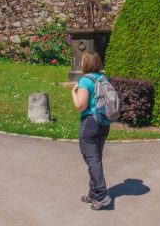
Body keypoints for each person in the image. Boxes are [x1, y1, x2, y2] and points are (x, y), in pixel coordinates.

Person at [71, 52, 112, 210]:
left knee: (92, 159)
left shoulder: (85, 80)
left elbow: (80, 105)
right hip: (104, 123)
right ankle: (93, 193)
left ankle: (101, 195)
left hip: (90, 123)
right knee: (96, 158)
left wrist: (73, 92)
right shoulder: (103, 79)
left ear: (86, 64)